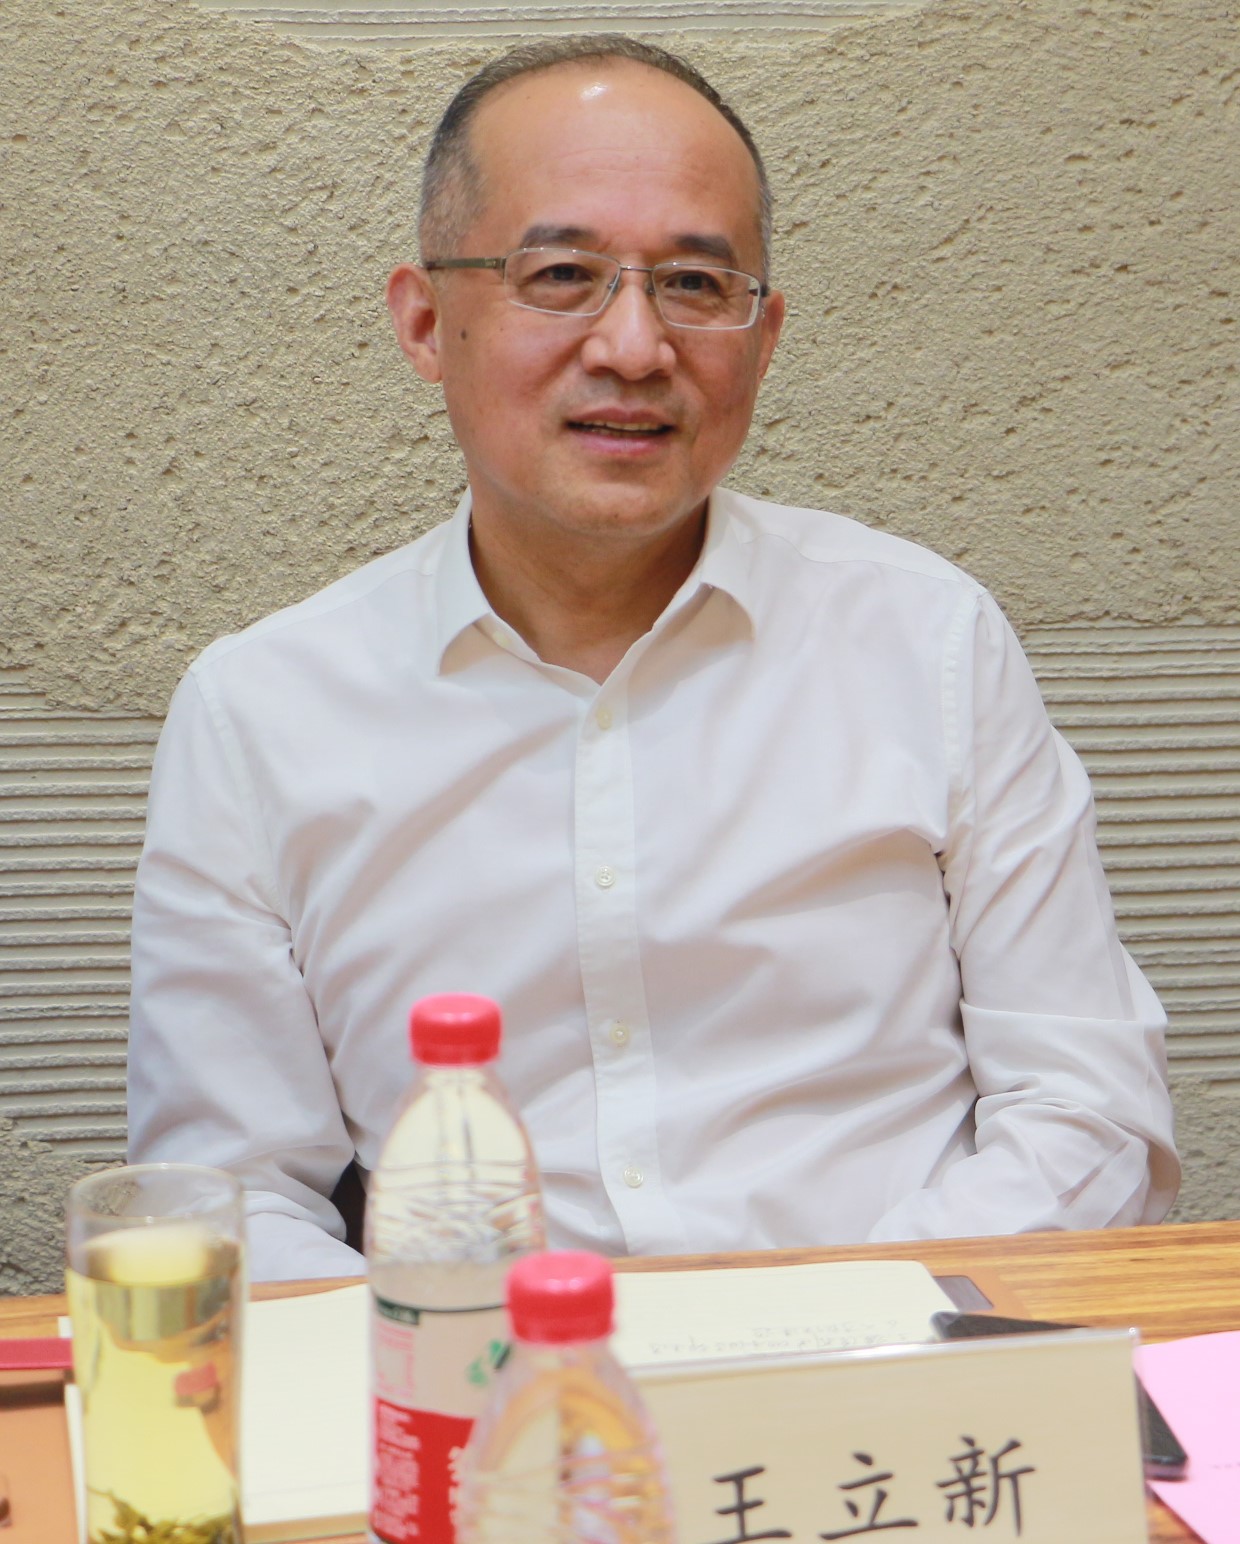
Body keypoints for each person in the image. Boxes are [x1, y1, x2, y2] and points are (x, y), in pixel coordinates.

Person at [127, 35, 1179, 1282]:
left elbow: (1088, 1112)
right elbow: (227, 1195)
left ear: (763, 335)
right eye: (561, 275)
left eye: (693, 283)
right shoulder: (259, 712)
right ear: (424, 321)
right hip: (482, 1383)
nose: (632, 346)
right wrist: (461, 1366)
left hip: (897, 1361)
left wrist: (831, 1330)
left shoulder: (926, 639)